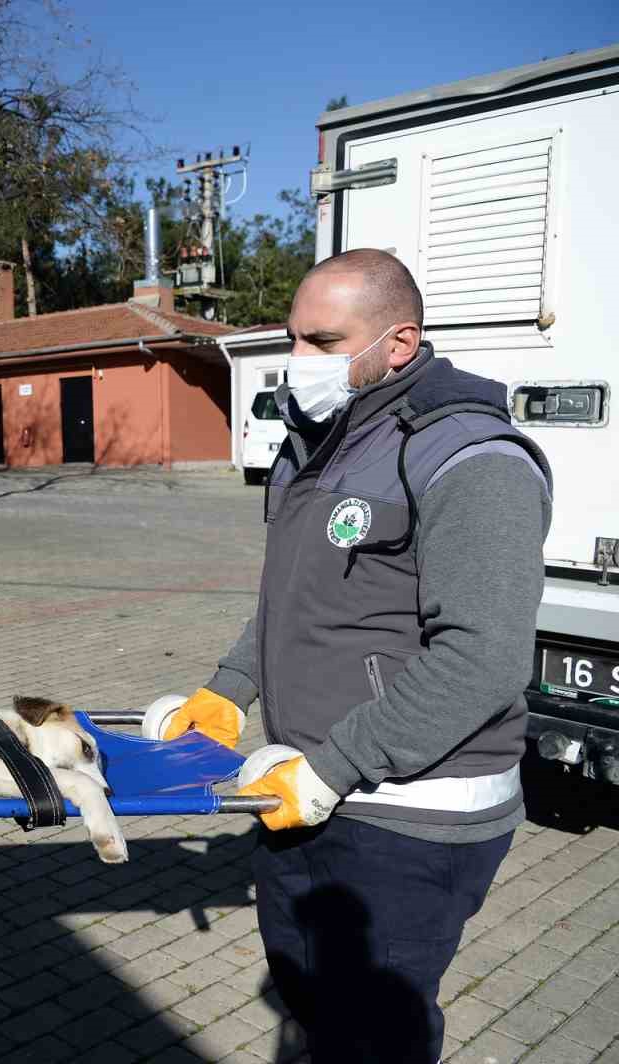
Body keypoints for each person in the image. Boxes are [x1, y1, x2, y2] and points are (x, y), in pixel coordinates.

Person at [160, 249, 552, 1062]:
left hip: (410, 816)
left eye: (323, 342)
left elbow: (483, 658)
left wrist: (335, 766)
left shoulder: (471, 458)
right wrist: (231, 690)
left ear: (400, 344)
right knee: (314, 1008)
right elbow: (298, 600)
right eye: (293, 338)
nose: (297, 363)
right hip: (309, 792)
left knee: (375, 1038)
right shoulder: (324, 440)